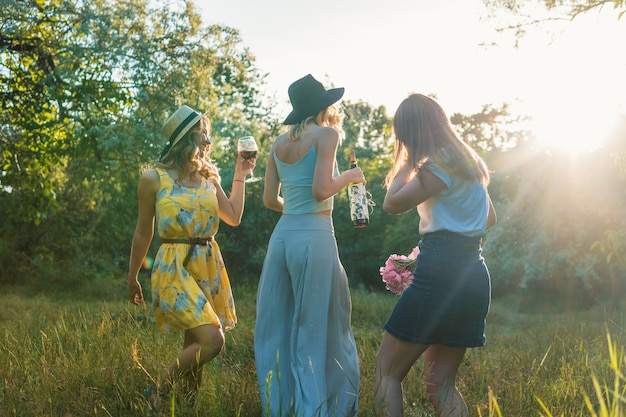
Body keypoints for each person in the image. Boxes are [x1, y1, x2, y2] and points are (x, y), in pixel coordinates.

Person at [374, 94, 497, 417]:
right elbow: (489, 219)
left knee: (387, 372)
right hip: (473, 273)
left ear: (411, 132)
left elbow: (391, 204)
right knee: (440, 381)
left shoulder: (438, 162)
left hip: (441, 273)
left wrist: (407, 158)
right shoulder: (468, 160)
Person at [127, 105, 255, 410]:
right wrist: (132, 277)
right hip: (174, 266)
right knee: (213, 340)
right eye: (203, 135)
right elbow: (144, 232)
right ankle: (158, 390)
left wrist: (240, 174)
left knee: (194, 344)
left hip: (208, 262)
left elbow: (233, 216)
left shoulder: (208, 177)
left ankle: (184, 408)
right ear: (185, 139)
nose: (208, 142)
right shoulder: (153, 179)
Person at [254, 74, 363, 417]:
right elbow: (321, 190)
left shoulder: (277, 143)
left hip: (283, 237)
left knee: (280, 326)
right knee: (319, 326)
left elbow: (270, 200)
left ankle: (282, 407)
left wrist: (297, 212)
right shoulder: (327, 134)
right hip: (315, 237)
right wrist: (350, 177)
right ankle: (316, 410)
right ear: (323, 106)